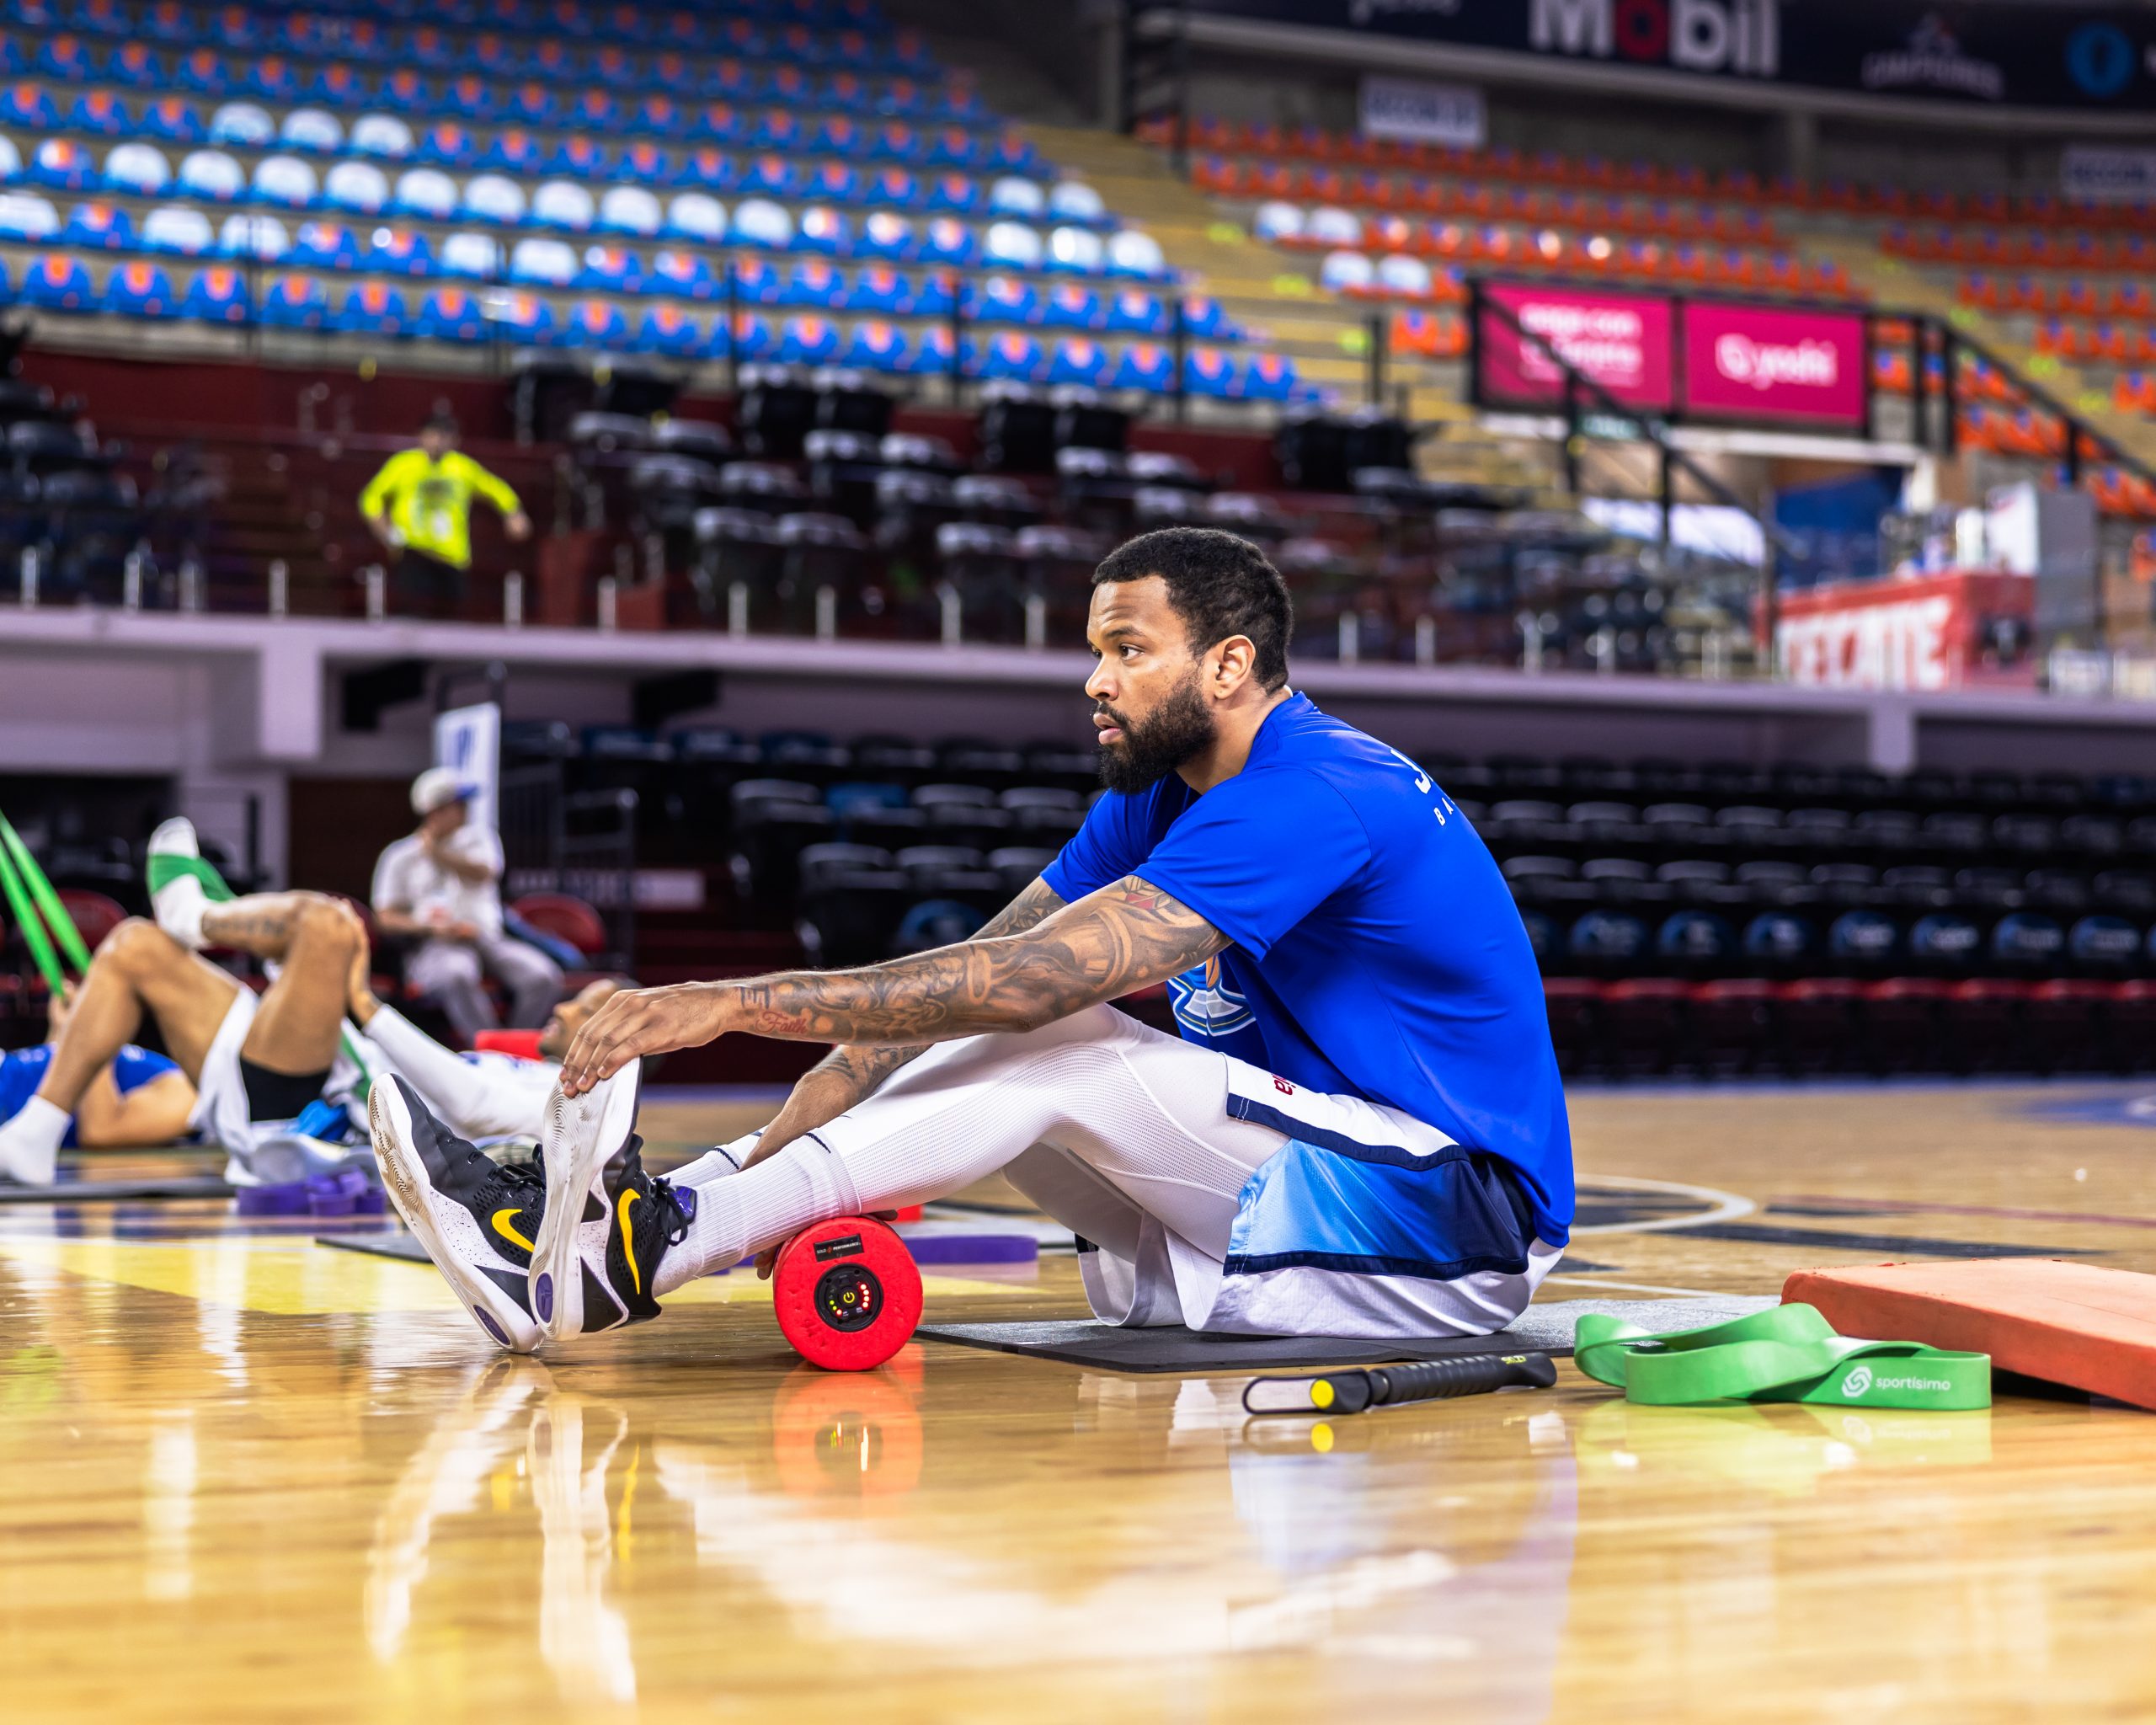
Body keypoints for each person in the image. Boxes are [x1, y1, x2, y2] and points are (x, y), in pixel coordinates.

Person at [376, 526, 1575, 1355]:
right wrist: (786, 1130)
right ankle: (613, 1225)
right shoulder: (1159, 796)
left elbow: (1025, 988)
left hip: (1453, 1222)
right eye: (1095, 649)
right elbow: (980, 970)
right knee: (998, 1021)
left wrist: (730, 1002)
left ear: (1228, 664)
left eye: (1127, 649)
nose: (1094, 679)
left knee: (1063, 1037)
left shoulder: (1317, 791)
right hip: (1315, 1189)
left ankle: (630, 1258)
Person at [0, 817, 622, 1189]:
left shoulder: (581, 1102)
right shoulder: (532, 1066)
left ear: (621, 1044)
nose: (567, 1008)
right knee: (134, 944)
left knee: (329, 924)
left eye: (587, 1011)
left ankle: (194, 916)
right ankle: (34, 1134)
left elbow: (472, 1104)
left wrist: (366, 1007)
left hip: (314, 1117)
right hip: (309, 1077)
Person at [372, 768, 563, 1043]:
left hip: (488, 938)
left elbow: (483, 872)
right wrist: (431, 927)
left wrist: (438, 853)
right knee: (457, 974)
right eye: (457, 804)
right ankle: (488, 1049)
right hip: (437, 944)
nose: (465, 810)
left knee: (543, 976)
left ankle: (512, 1046)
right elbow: (385, 917)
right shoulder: (400, 855)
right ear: (434, 811)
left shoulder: (479, 839)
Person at [0, 981, 197, 1181]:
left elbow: (100, 1131)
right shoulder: (171, 1073)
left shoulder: (189, 1098)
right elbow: (46, 1090)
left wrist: (92, 1029)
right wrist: (65, 1033)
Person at [358, 412, 531, 617]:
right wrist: (385, 530)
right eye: (433, 434)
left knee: (451, 622)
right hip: (414, 553)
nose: (438, 441)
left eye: (444, 436)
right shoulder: (404, 464)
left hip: (452, 558)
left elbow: (497, 490)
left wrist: (514, 513)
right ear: (421, 436)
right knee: (412, 617)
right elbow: (371, 498)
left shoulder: (462, 467)